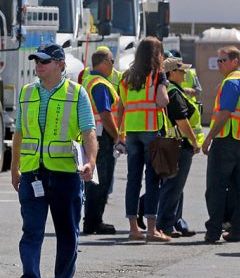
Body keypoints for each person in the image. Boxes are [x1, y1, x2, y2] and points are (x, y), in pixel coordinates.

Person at [10, 43, 97, 278]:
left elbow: (88, 132)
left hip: (65, 175)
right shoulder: (26, 93)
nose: (39, 66)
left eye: (45, 62)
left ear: (60, 65)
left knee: (67, 233)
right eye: (37, 61)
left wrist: (91, 162)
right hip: (33, 173)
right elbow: (19, 134)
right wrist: (15, 168)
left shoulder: (77, 93)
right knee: (31, 231)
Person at [203, 47, 240, 244]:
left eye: (223, 61)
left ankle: (213, 231)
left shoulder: (232, 82)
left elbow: (225, 112)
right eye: (218, 60)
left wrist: (209, 137)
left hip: (227, 140)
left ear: (235, 62)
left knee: (216, 188)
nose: (219, 64)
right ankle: (237, 231)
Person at [118, 37, 170, 241]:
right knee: (152, 179)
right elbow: (162, 100)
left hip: (131, 131)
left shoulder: (127, 76)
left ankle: (133, 229)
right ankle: (151, 229)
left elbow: (121, 104)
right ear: (157, 55)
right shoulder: (157, 75)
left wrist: (120, 133)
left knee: (133, 179)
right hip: (150, 129)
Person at [155, 57, 201, 239]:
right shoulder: (173, 92)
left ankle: (172, 222)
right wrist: (194, 141)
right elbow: (182, 120)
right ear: (171, 72)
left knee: (175, 187)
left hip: (175, 144)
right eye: (181, 70)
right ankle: (165, 225)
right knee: (173, 187)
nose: (184, 73)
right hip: (178, 144)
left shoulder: (174, 91)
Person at [82, 48, 119, 235]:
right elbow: (105, 114)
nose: (113, 66)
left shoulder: (88, 80)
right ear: (104, 62)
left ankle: (92, 220)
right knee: (100, 181)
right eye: (112, 62)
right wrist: (117, 135)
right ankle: (93, 222)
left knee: (93, 181)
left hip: (92, 136)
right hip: (101, 137)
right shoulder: (100, 84)